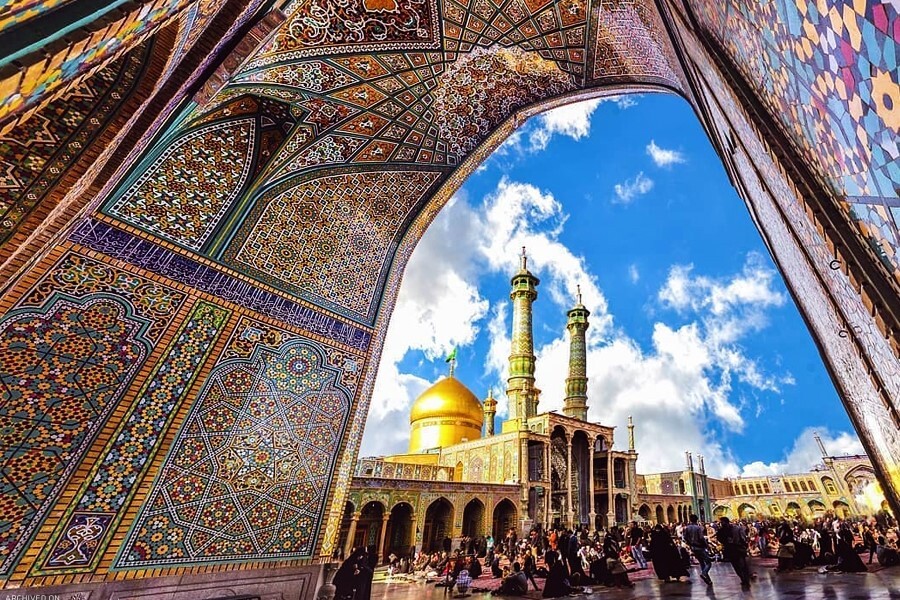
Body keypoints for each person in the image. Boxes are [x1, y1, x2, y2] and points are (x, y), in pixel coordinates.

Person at [716, 517, 751, 590]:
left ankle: (745, 579)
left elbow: (743, 538)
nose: (721, 524)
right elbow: (719, 538)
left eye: (722, 522)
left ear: (725, 522)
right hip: (733, 549)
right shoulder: (723, 530)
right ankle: (744, 578)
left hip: (736, 549)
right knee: (737, 565)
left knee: (740, 565)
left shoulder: (735, 529)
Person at [683, 514, 712, 586]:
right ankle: (704, 573)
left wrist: (690, 543)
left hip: (693, 547)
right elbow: (701, 538)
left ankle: (708, 580)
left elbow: (685, 537)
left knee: (701, 562)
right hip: (700, 547)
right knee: (708, 562)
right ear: (696, 520)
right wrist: (706, 545)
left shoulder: (687, 528)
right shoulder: (698, 528)